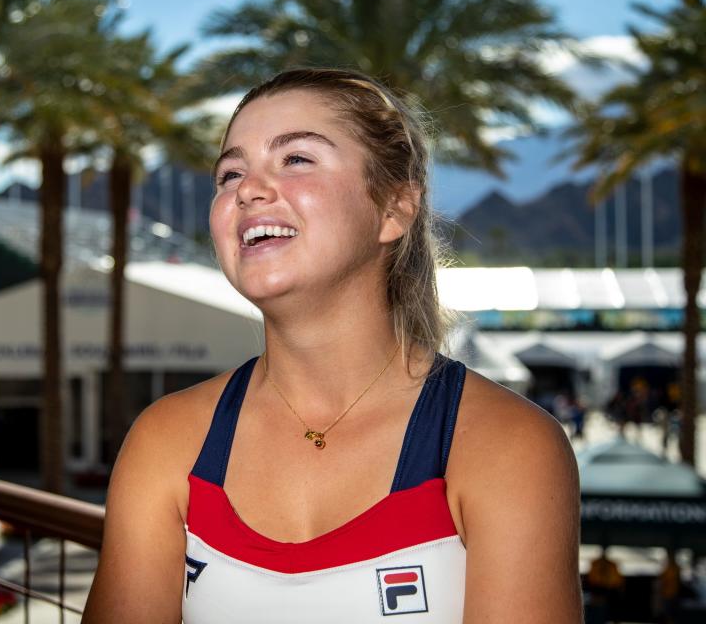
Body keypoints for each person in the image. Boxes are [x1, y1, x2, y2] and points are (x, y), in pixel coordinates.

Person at [82, 69, 582, 622]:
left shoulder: (506, 446)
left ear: (393, 208)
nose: (247, 188)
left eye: (295, 159)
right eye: (229, 173)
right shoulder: (167, 442)